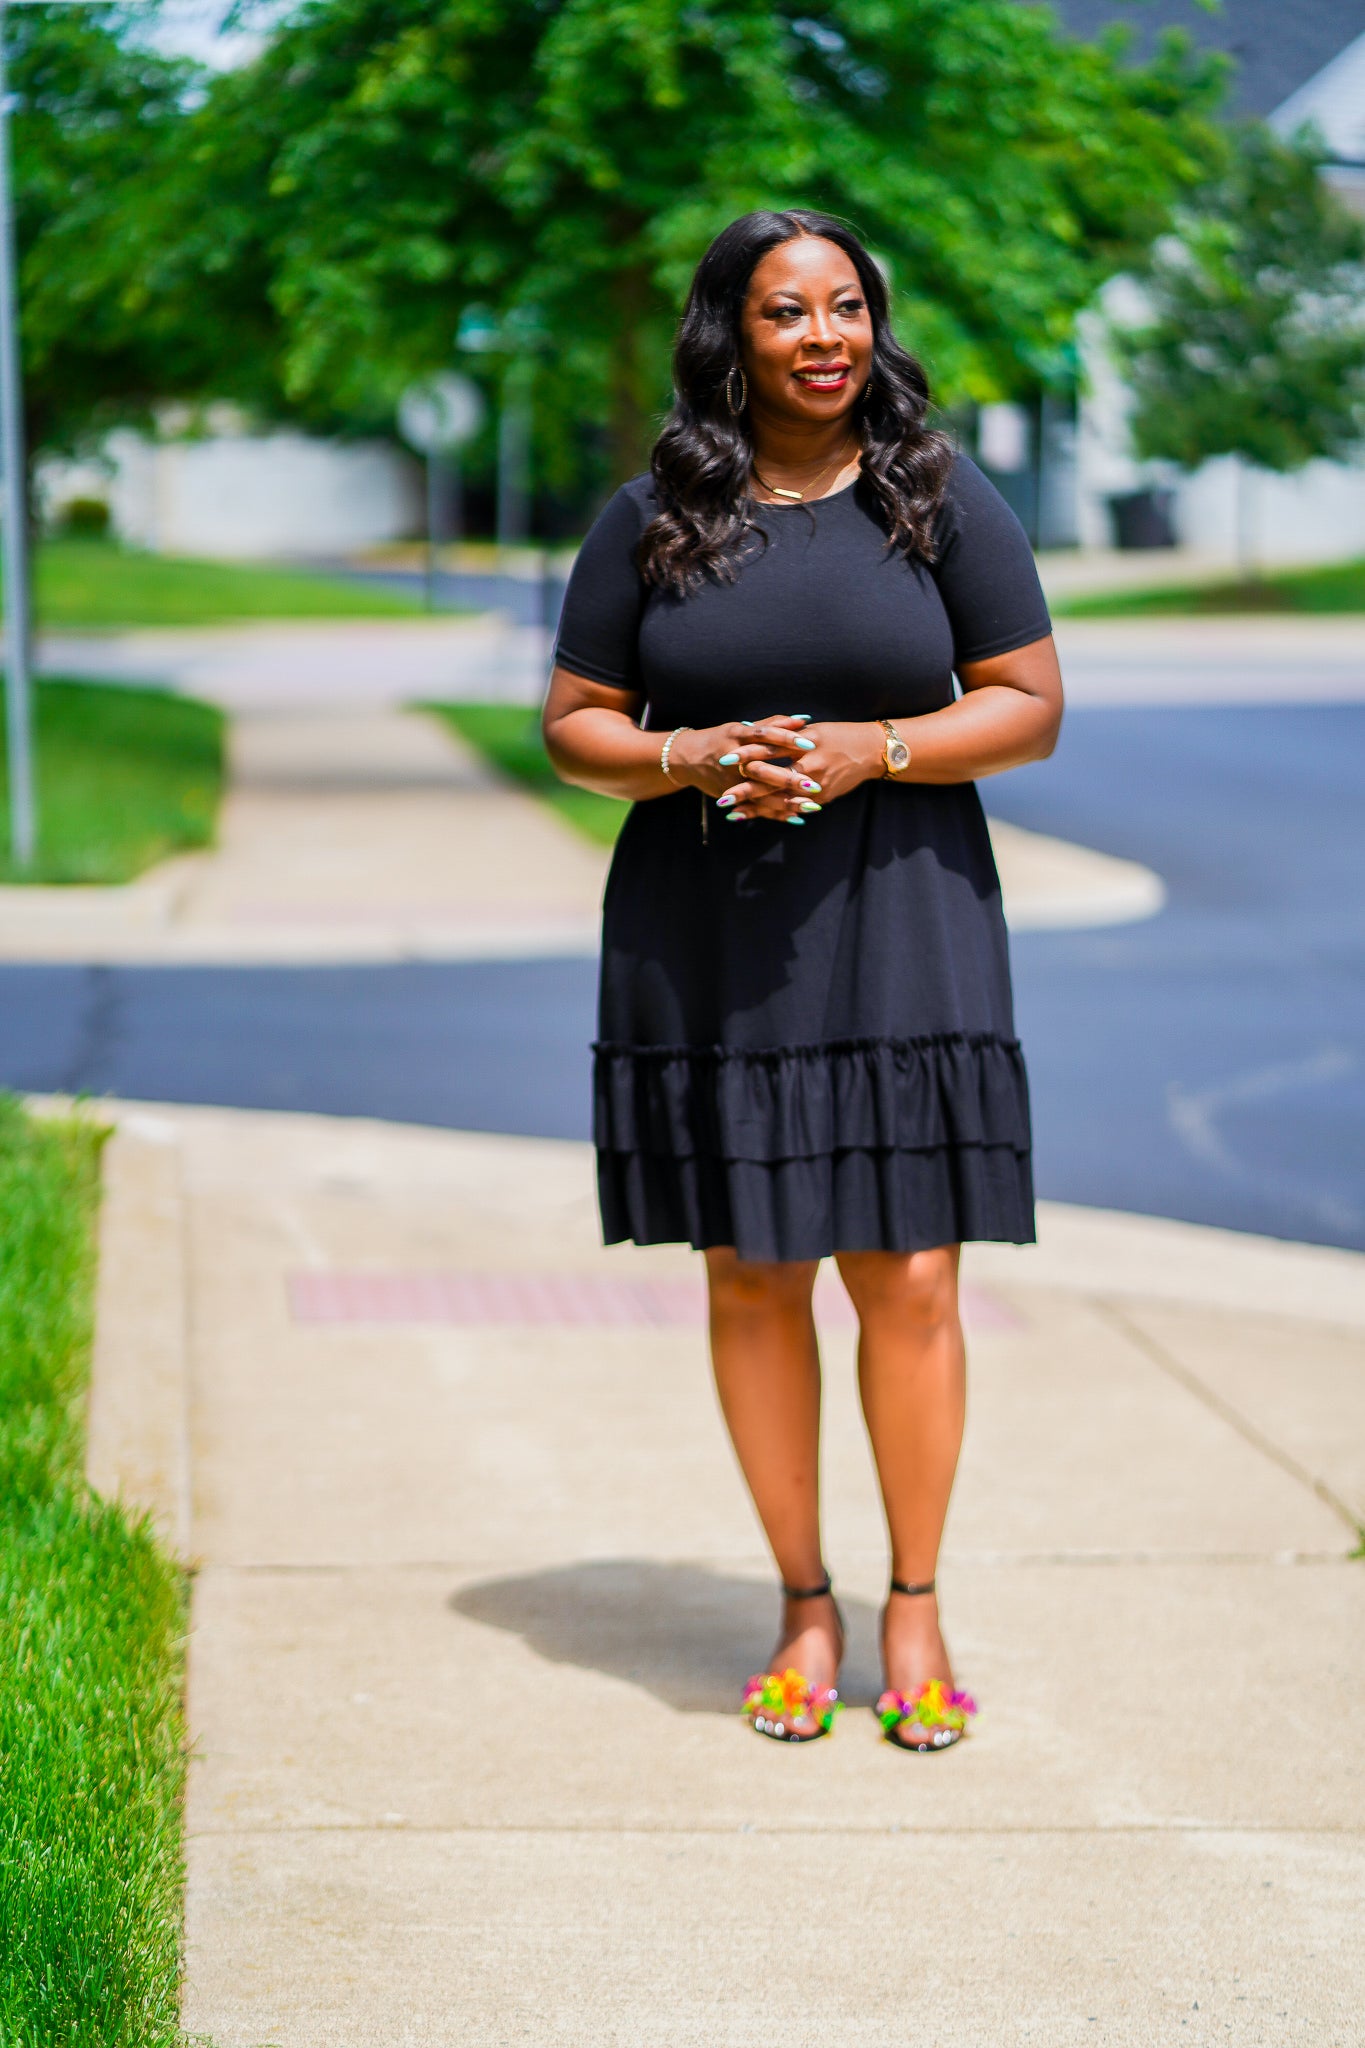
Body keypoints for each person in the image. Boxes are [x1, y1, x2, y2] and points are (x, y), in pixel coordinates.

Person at [543, 209, 1063, 1751]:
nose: (824, 336)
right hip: (705, 924)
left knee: (906, 1271)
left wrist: (871, 751)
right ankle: (800, 1603)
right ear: (732, 336)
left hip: (904, 908)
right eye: (787, 312)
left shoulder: (937, 499)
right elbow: (575, 725)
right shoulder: (650, 516)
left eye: (845, 307)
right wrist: (684, 754)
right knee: (754, 1268)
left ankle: (913, 1604)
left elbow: (1028, 704)